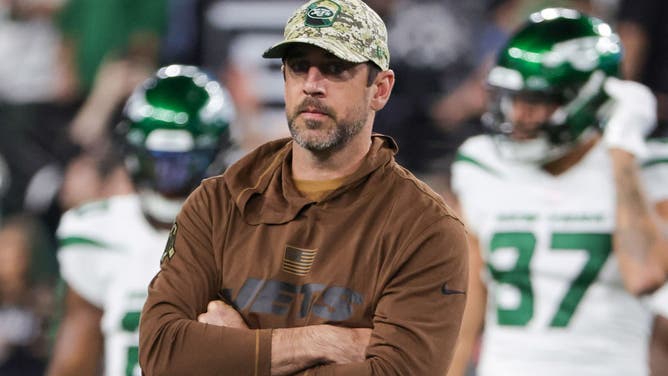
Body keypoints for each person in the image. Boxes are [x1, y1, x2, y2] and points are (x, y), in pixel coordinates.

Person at [138, 0, 469, 375]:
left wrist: (236, 354)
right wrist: (320, 342)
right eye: (298, 67)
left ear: (380, 89)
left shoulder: (424, 228)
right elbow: (161, 353)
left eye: (335, 69)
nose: (312, 85)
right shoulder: (218, 203)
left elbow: (400, 372)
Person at [447, 8, 668, 376]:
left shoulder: (649, 166)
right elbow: (463, 311)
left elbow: (644, 274)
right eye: (512, 98)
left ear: (589, 97)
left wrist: (624, 153)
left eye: (537, 101)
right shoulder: (481, 165)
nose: (518, 115)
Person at [46, 64, 235, 376]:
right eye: (157, 162)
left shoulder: (250, 235)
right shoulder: (97, 232)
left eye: (184, 163)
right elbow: (73, 363)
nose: (168, 180)